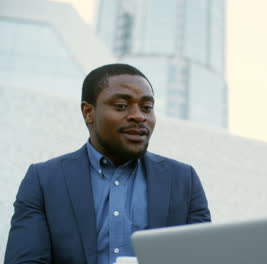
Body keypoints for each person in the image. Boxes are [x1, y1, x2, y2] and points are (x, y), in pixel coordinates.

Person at [5, 63, 211, 264]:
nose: (139, 116)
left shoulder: (184, 180)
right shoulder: (43, 180)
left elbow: (204, 258)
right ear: (88, 112)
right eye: (121, 106)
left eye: (147, 107)